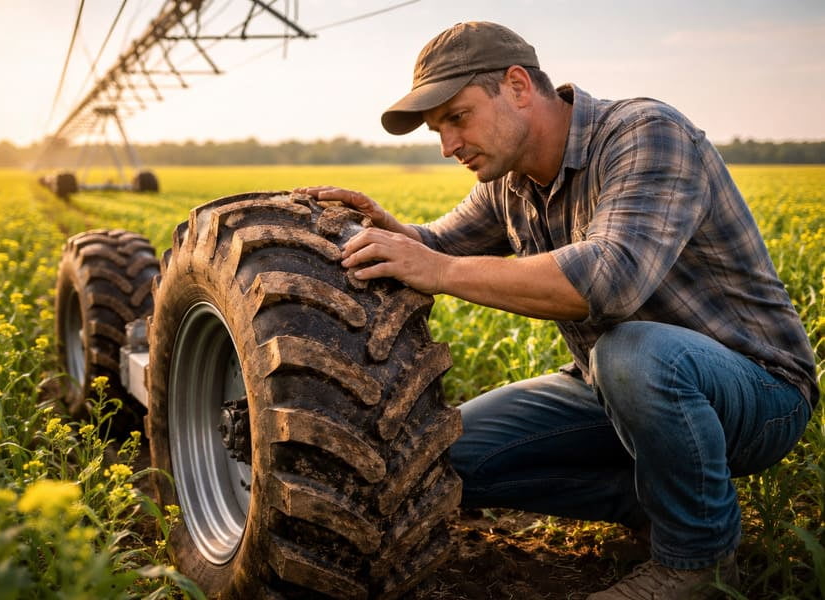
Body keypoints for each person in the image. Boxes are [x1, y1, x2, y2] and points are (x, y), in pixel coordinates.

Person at [297, 21, 817, 599]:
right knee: (434, 462)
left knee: (635, 351)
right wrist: (394, 234)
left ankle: (698, 563)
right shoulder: (510, 180)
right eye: (437, 130)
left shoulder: (646, 133)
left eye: (457, 118)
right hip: (607, 385)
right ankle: (659, 500)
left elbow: (609, 280)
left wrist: (436, 270)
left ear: (517, 86)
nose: (447, 146)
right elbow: (439, 247)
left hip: (755, 388)